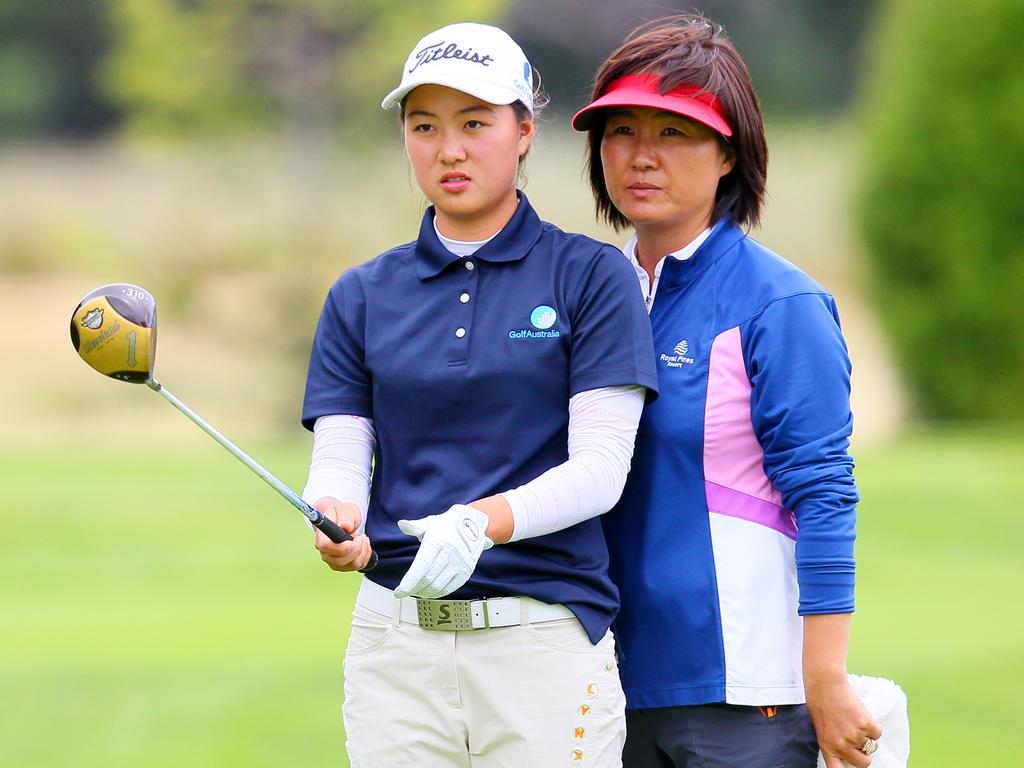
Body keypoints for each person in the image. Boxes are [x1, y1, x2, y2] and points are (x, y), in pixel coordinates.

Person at [300, 22, 658, 767]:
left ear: (524, 130)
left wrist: (480, 523)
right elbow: (341, 454)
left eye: (474, 123)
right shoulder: (362, 294)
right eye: (424, 126)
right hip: (396, 641)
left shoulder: (590, 277)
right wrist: (335, 515)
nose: (449, 150)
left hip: (540, 642)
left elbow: (600, 470)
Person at [571, 14, 883, 768]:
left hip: (745, 697)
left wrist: (824, 677)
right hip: (598, 684)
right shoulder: (586, 297)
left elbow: (824, 493)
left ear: (727, 155)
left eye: (673, 133)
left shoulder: (779, 305)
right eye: (621, 131)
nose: (642, 156)